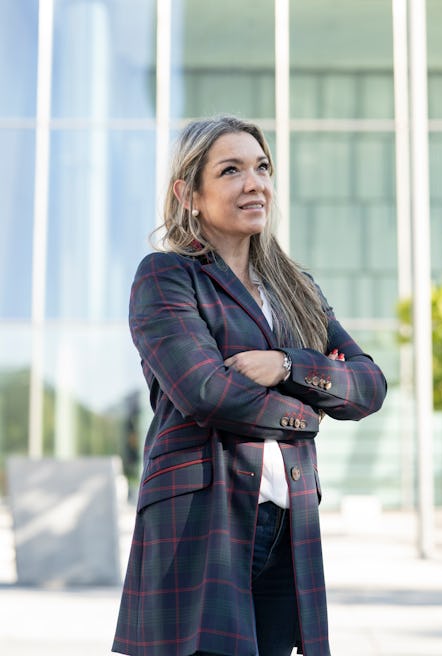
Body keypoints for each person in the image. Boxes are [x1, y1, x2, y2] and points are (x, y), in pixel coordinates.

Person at [112, 115, 387, 656]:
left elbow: (369, 386)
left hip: (288, 524)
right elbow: (206, 393)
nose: (254, 183)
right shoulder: (167, 277)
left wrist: (286, 365)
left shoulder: (296, 289)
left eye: (261, 167)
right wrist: (307, 417)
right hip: (201, 520)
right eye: (231, 170)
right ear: (187, 192)